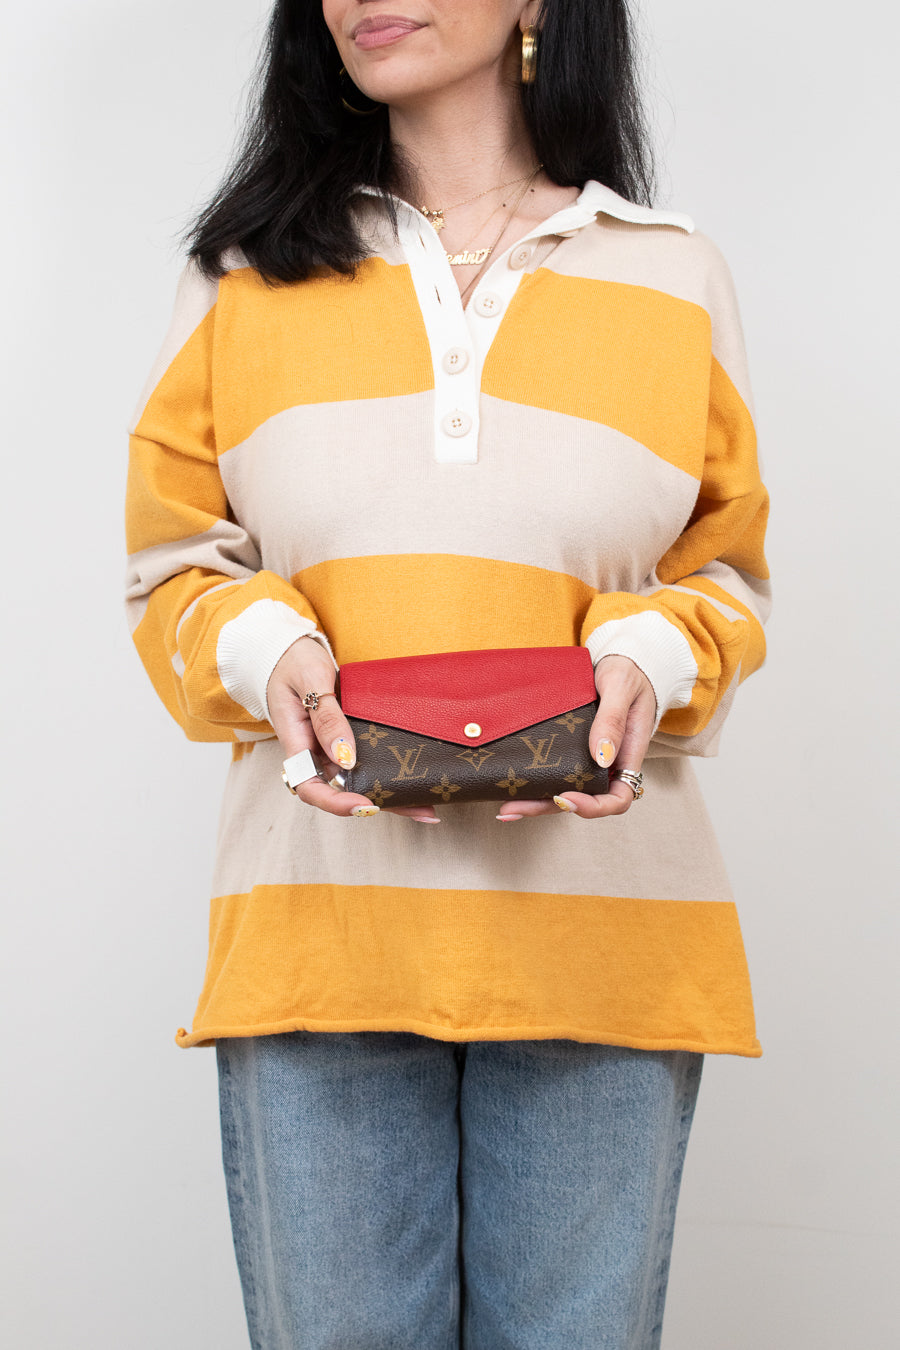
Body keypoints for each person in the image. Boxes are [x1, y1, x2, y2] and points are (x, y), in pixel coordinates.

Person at [125, 1, 770, 1345]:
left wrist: (646, 657)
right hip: (320, 931)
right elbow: (171, 570)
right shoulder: (242, 276)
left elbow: (726, 580)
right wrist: (271, 648)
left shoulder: (674, 274)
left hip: (606, 938)